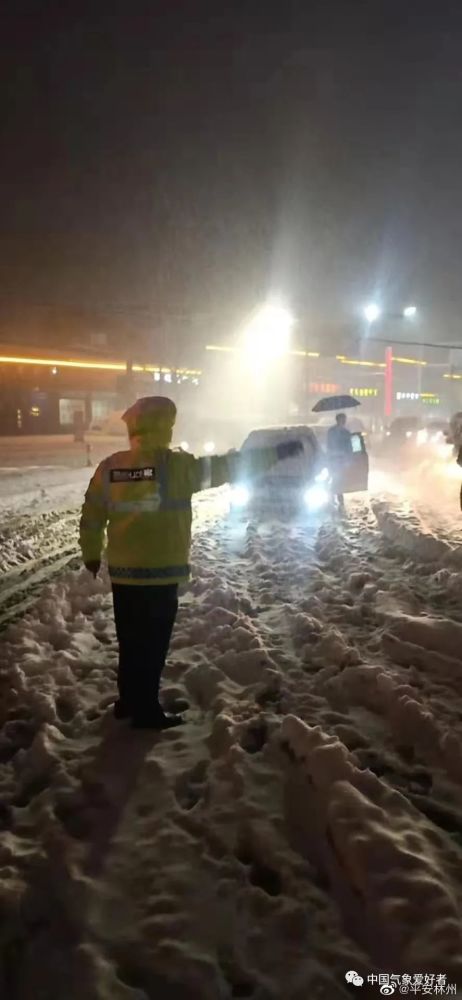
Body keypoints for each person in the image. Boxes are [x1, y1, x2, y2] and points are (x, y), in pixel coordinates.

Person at [79, 396, 302, 730]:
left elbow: (92, 514)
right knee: (153, 644)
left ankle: (129, 701)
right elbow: (232, 466)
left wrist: (92, 553)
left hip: (125, 576)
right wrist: (276, 453)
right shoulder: (177, 467)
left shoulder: (111, 467)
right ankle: (146, 710)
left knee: (130, 640)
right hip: (160, 575)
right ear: (165, 427)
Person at [326, 412, 352, 509]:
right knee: (336, 479)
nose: (345, 421)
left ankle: (336, 498)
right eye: (343, 419)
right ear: (339, 420)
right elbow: (349, 448)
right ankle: (335, 498)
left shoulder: (341, 432)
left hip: (337, 460)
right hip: (336, 460)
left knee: (337, 479)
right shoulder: (340, 432)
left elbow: (349, 447)